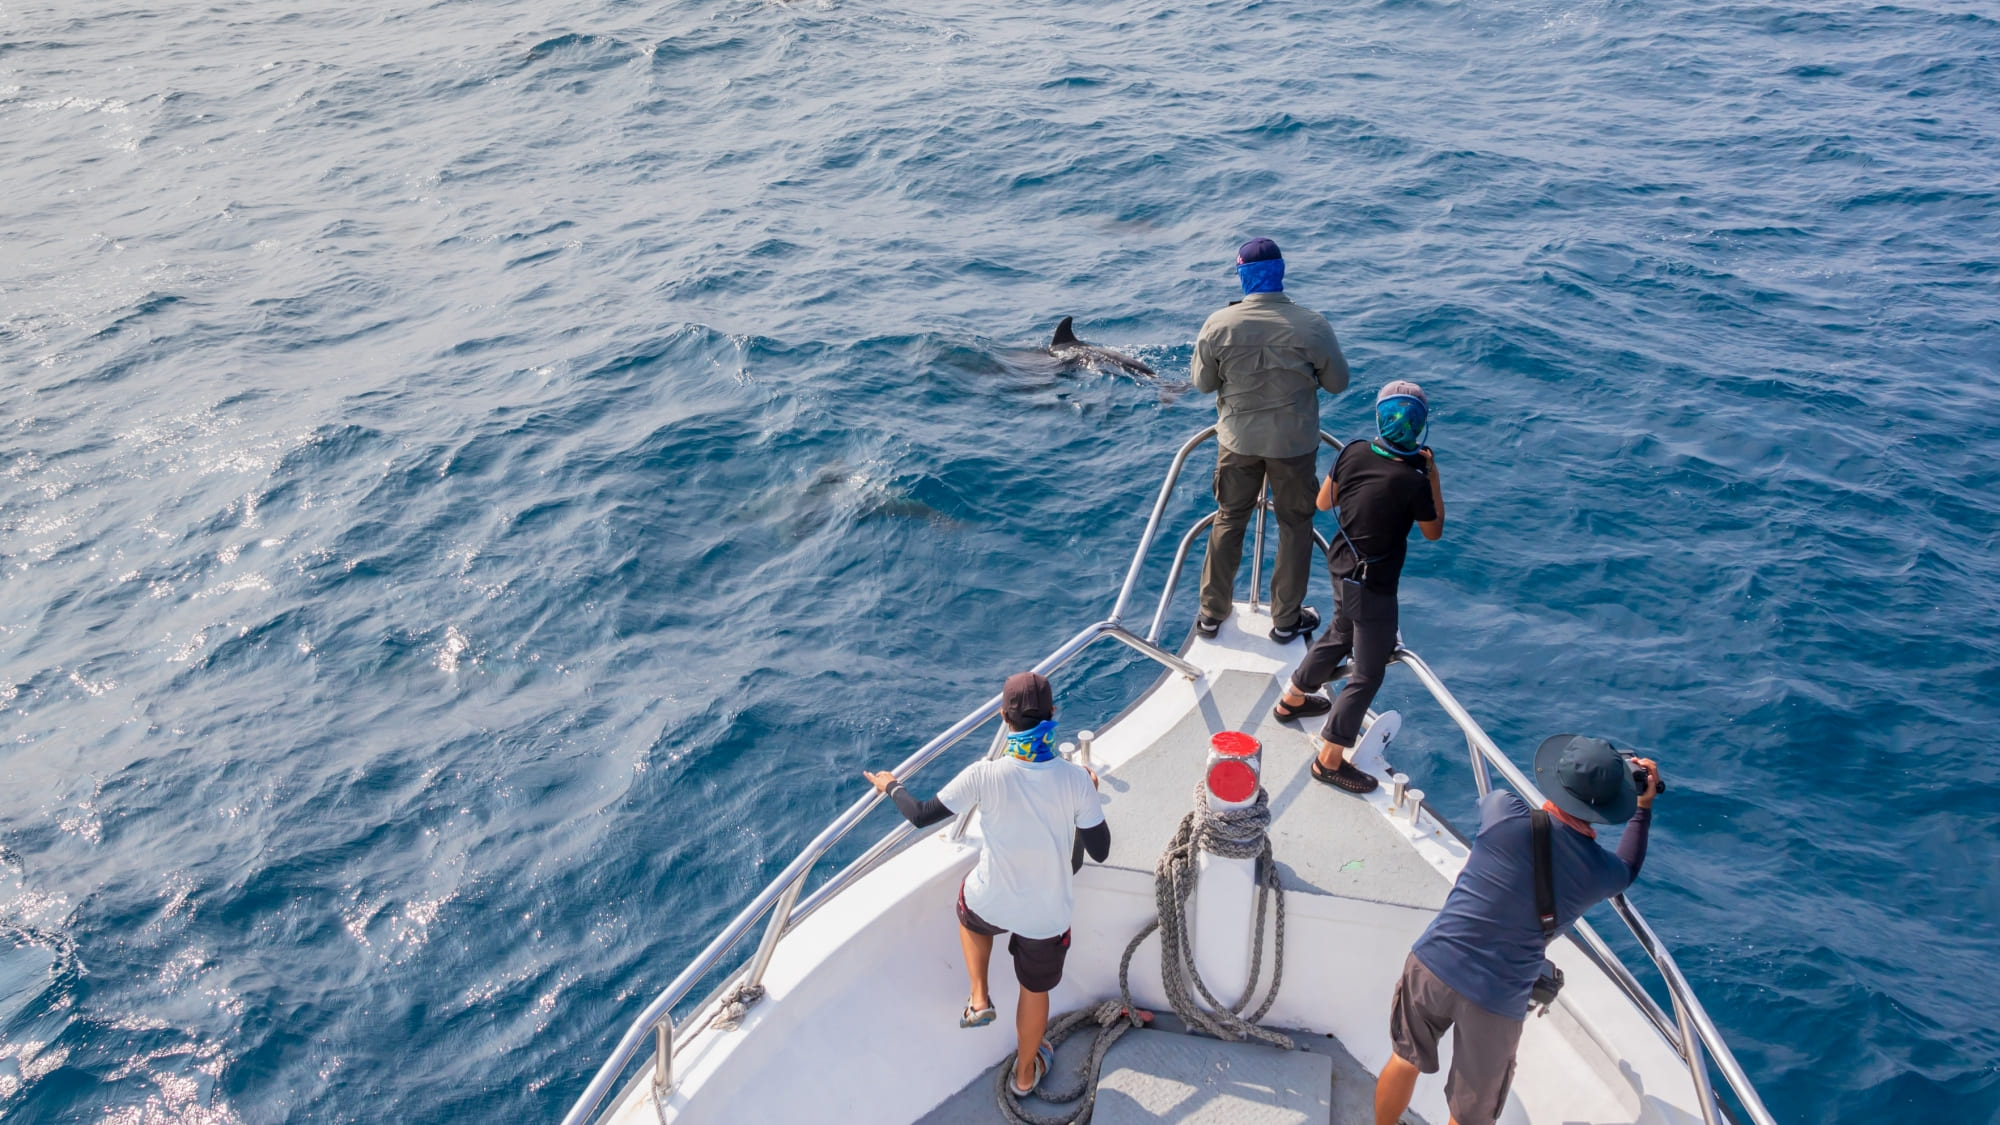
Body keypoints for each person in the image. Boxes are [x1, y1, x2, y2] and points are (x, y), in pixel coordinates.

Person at [1372, 736, 1663, 1125]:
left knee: (1404, 1060)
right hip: (1496, 999)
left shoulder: (1503, 811)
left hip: (1434, 961)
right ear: (1611, 807)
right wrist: (1643, 808)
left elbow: (1511, 807)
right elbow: (1629, 866)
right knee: (1469, 1113)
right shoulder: (1601, 873)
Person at [863, 672, 1111, 1097]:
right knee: (1034, 992)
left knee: (968, 906)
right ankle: (1025, 1076)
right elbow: (1100, 850)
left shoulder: (984, 775)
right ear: (1054, 714)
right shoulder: (1075, 781)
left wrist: (891, 787)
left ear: (1003, 717)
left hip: (990, 902)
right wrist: (1087, 792)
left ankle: (979, 998)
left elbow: (921, 815)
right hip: (1045, 918)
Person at [1271, 381, 1443, 793]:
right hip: (1375, 586)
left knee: (1340, 631)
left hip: (1340, 565)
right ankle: (1329, 759)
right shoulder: (1413, 479)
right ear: (1419, 428)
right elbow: (1433, 530)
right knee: (1367, 674)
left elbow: (1323, 503)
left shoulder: (1353, 450)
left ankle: (1291, 699)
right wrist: (1431, 472)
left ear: (1380, 419)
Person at [1191, 237, 1351, 644]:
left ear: (1242, 276)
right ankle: (1285, 621)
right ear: (1280, 274)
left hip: (1237, 442)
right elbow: (1337, 383)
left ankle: (1211, 614)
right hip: (1294, 446)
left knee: (1229, 519)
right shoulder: (1312, 324)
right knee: (1295, 526)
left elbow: (1202, 384)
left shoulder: (1218, 324)